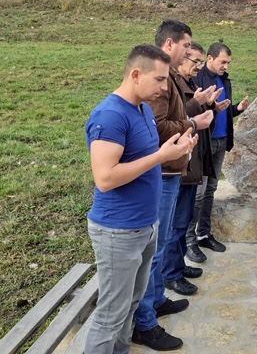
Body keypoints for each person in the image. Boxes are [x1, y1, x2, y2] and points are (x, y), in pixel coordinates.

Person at [84, 44, 197, 354]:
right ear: (136, 74)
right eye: (160, 79)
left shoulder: (143, 110)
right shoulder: (109, 115)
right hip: (118, 231)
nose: (165, 87)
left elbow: (145, 159)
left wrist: (176, 150)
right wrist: (161, 155)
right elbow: (105, 178)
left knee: (131, 305)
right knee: (111, 315)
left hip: (146, 226)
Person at [132, 20, 213, 351]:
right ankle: (145, 321)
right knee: (155, 247)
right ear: (170, 44)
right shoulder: (159, 82)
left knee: (161, 243)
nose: (190, 52)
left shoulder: (167, 79)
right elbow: (160, 126)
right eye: (186, 46)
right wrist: (194, 122)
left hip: (169, 169)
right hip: (162, 171)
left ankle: (156, 300)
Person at [163, 42, 221, 296]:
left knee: (183, 219)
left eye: (199, 62)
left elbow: (194, 121)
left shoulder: (187, 84)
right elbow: (172, 123)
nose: (198, 66)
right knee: (175, 224)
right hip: (178, 164)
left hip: (191, 162)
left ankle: (178, 265)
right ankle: (171, 274)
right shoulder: (171, 83)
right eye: (194, 61)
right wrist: (196, 105)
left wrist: (209, 106)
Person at [186, 42, 249, 263]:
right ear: (210, 59)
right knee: (198, 193)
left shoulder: (224, 80)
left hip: (221, 141)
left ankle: (203, 234)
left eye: (228, 62)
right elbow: (197, 110)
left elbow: (219, 111)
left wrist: (237, 109)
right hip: (204, 142)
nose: (225, 66)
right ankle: (188, 240)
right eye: (223, 61)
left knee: (211, 189)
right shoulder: (197, 79)